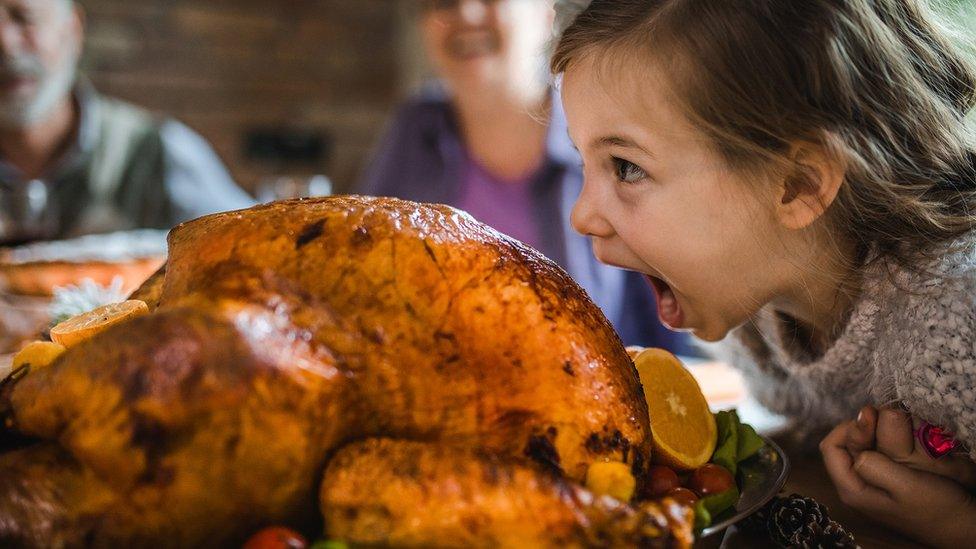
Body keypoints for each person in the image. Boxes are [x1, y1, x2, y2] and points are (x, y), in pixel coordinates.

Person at [552, 0, 976, 545]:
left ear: (797, 186)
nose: (581, 215)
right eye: (583, 163)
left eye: (627, 167)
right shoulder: (756, 315)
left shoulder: (956, 322)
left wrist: (956, 524)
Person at [358, 0, 692, 352]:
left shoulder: (611, 131)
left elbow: (679, 329)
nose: (466, 14)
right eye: (443, 3)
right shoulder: (415, 129)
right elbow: (362, 282)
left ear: (544, 14)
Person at [0, 0, 253, 245]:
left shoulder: (158, 151)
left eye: (25, 17)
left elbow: (252, 248)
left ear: (73, 30)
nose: (5, 43)